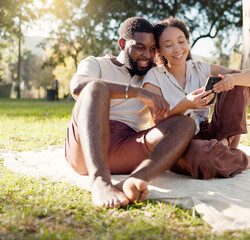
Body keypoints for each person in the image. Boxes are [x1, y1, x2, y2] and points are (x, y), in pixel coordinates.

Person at [65, 17, 195, 208]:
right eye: (140, 47)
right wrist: (136, 92)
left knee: (185, 123)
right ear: (122, 44)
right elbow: (77, 86)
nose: (147, 55)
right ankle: (100, 181)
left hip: (126, 145)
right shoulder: (97, 63)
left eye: (152, 49)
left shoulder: (153, 75)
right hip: (85, 147)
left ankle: (133, 181)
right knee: (95, 88)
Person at [143, 17, 250, 180]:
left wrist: (233, 80)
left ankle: (223, 147)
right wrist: (186, 105)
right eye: (168, 45)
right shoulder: (153, 77)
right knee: (202, 158)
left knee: (237, 82)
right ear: (159, 50)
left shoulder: (200, 68)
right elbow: (157, 123)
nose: (177, 48)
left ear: (188, 41)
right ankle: (246, 160)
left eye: (181, 41)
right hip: (178, 140)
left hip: (212, 134)